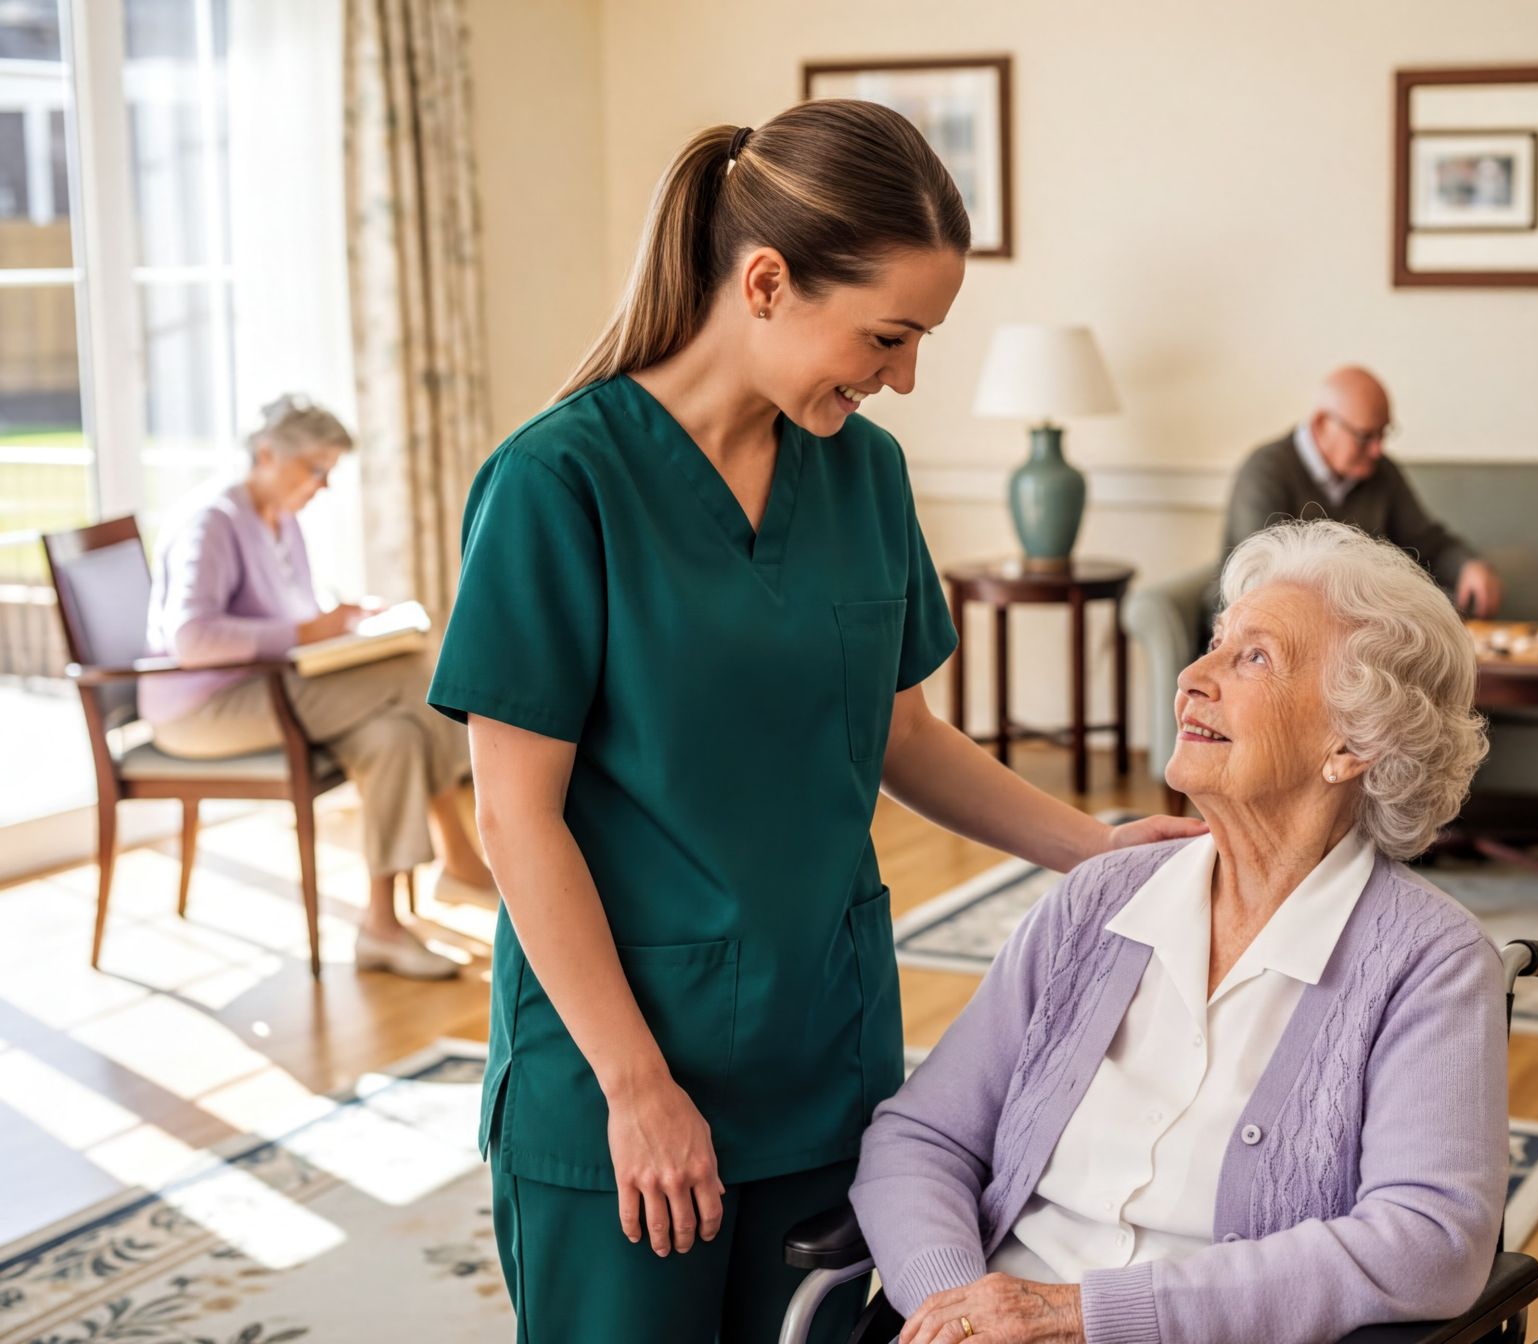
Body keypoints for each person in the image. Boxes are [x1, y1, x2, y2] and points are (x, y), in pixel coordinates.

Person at [426, 101, 1202, 1343]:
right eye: (888, 335)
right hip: (620, 1076)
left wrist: (1096, 851)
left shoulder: (865, 473)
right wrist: (638, 1089)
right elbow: (515, 819)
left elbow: (902, 735)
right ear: (770, 282)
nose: (900, 376)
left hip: (821, 1060)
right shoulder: (557, 483)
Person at [852, 520, 1507, 1344]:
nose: (1193, 679)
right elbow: (921, 1136)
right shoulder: (1097, 902)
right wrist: (958, 1310)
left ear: (1352, 743)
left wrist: (1083, 1318)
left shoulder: (1428, 961)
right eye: (1213, 646)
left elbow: (1431, 1241)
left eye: (1254, 658)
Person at [143, 395, 489, 980]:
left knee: (394, 734)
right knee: (412, 674)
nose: (323, 485)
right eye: (316, 469)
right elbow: (193, 639)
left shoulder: (282, 523)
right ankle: (458, 853)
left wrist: (349, 620)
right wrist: (313, 629)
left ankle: (381, 928)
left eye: (330, 471)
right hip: (203, 709)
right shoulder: (213, 521)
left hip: (275, 693)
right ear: (267, 453)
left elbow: (297, 617)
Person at [1222, 366, 1503, 617]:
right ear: (1322, 424)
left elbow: (1428, 542)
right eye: (1365, 436)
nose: (1377, 449)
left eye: (1383, 434)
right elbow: (1264, 578)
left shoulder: (1382, 472)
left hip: (1351, 630)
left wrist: (1468, 566)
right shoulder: (1265, 472)